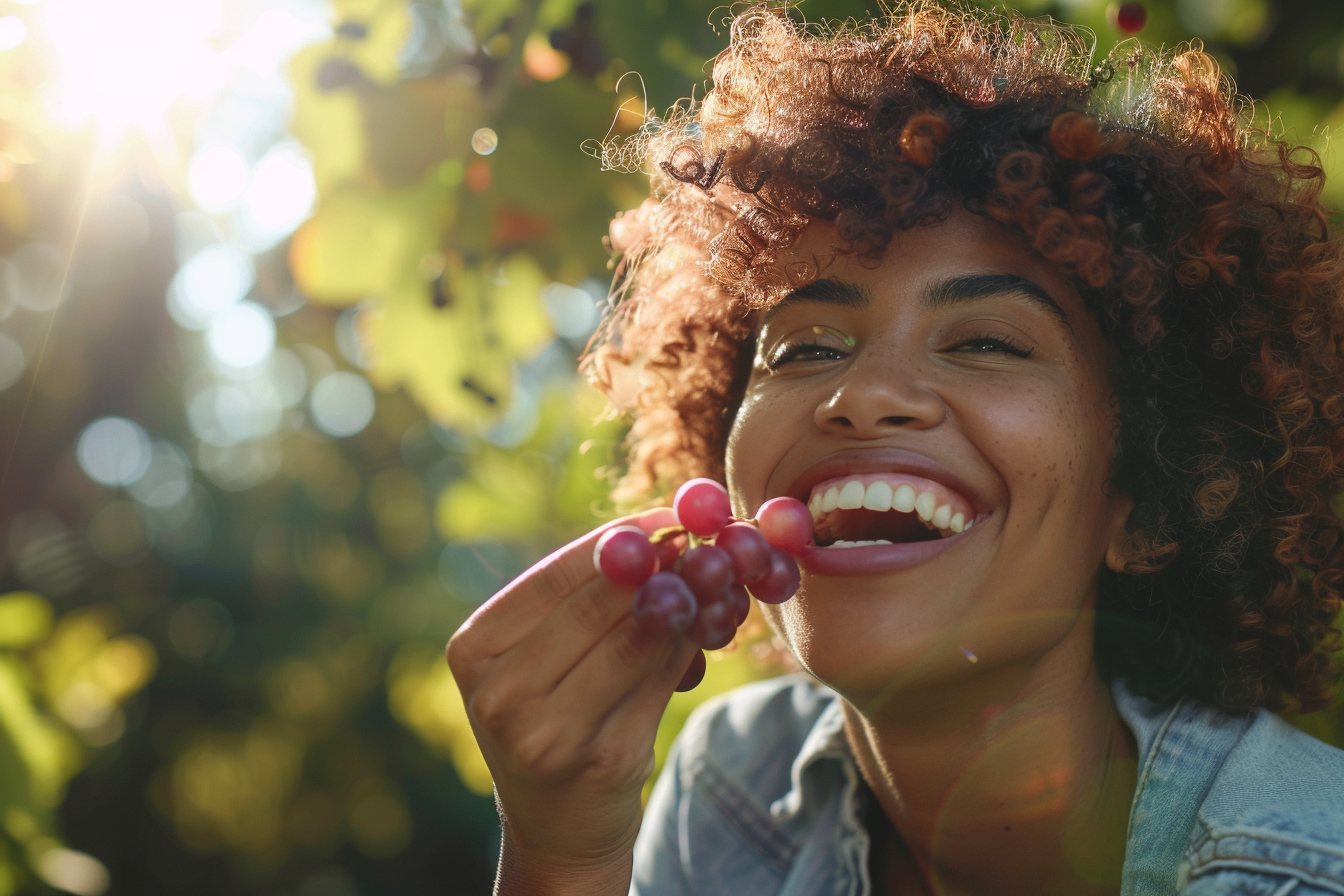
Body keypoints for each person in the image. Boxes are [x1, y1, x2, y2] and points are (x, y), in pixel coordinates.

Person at [447, 4, 1344, 894]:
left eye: (987, 342)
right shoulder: (730, 795)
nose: (862, 394)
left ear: (1145, 502)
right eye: (805, 349)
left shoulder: (1297, 872)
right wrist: (562, 857)